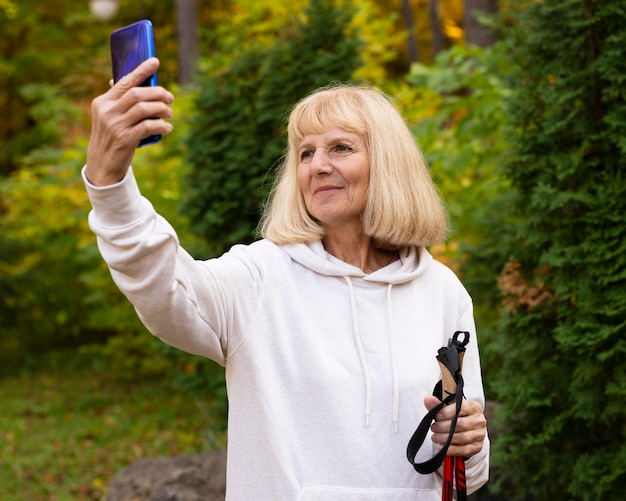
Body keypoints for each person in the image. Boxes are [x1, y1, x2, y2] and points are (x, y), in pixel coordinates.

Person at [83, 57, 489, 500]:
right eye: (305, 153)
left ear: (389, 164)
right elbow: (163, 289)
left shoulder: (442, 290)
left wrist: (469, 443)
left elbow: (466, 467)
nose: (317, 166)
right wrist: (111, 184)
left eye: (340, 148)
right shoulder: (260, 277)